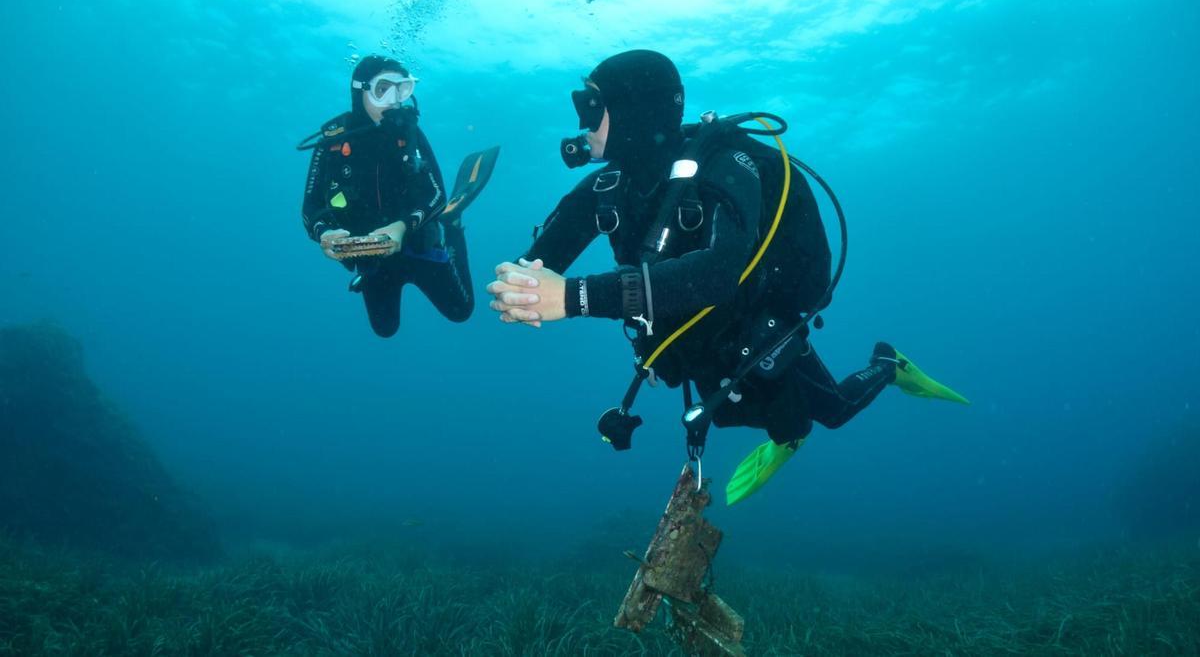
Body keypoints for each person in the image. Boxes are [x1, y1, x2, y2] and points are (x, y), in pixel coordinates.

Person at [486, 50, 967, 504]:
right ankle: (786, 433)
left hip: (757, 324)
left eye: (591, 107)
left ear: (634, 111)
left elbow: (718, 275)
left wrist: (574, 297)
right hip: (694, 332)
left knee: (830, 413)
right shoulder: (607, 186)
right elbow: (540, 262)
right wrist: (519, 287)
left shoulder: (727, 166)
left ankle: (889, 364)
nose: (581, 123)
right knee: (752, 415)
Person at [300, 55, 499, 337]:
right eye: (383, 89)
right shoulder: (332, 141)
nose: (394, 101)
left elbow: (437, 194)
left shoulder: (409, 132)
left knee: (461, 311)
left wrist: (401, 226)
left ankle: (452, 224)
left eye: (402, 89)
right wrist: (324, 234)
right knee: (385, 329)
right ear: (360, 91)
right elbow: (311, 206)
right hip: (374, 259)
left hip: (421, 246)